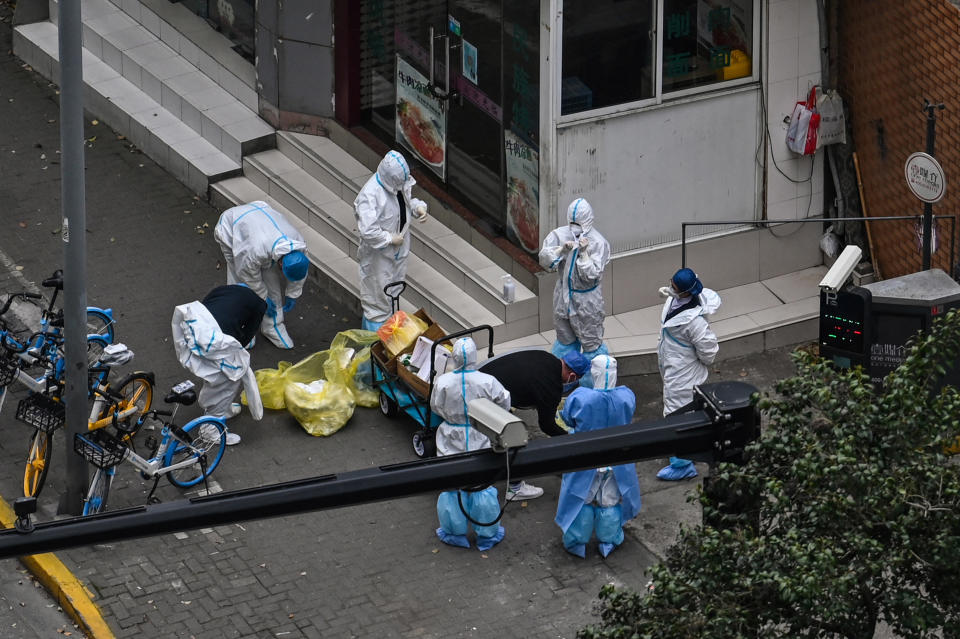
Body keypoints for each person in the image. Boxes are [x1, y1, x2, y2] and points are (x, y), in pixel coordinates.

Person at [555, 355, 641, 558]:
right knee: (609, 500)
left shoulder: (581, 397)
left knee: (580, 499)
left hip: (586, 458)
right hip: (616, 461)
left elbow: (568, 419)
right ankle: (608, 541)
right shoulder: (626, 396)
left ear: (593, 373)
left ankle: (577, 542)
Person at [479, 349, 592, 501]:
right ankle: (515, 489)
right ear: (572, 376)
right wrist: (569, 439)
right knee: (516, 435)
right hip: (486, 397)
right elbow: (546, 425)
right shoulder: (551, 385)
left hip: (480, 379)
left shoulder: (546, 357)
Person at [432, 337, 509, 550]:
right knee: (481, 485)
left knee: (452, 484)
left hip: (450, 435)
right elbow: (504, 401)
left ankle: (453, 532)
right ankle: (487, 534)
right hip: (480, 433)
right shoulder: (488, 381)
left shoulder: (444, 381)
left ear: (454, 357)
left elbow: (435, 406)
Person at [171, 284, 267, 445]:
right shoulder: (259, 304)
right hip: (215, 341)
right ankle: (210, 430)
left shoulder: (222, 289)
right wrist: (233, 350)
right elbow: (248, 335)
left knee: (213, 375)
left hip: (196, 333)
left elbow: (206, 308)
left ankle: (223, 408)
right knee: (228, 379)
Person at [213, 201, 310, 350]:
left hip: (259, 227)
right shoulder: (255, 251)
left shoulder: (298, 245)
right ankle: (242, 329)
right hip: (231, 228)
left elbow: (299, 273)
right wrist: (263, 298)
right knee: (240, 287)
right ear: (282, 264)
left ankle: (273, 327)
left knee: (271, 285)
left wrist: (293, 293)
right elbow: (246, 274)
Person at [354, 150, 428, 331]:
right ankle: (375, 350)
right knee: (377, 304)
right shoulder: (370, 196)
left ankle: (382, 342)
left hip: (398, 250)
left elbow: (404, 203)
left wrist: (417, 208)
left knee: (393, 295)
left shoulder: (396, 184)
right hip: (378, 257)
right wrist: (388, 239)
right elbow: (368, 231)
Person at [538, 198, 611, 367]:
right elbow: (545, 261)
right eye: (572, 223)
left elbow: (592, 275)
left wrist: (584, 254)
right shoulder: (558, 235)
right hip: (562, 297)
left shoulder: (598, 242)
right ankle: (563, 378)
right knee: (564, 339)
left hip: (587, 301)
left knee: (591, 343)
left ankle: (592, 383)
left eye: (579, 223)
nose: (575, 227)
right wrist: (561, 250)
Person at [657, 268, 721, 416]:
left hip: (685, 374)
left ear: (686, 292)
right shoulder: (674, 299)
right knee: (673, 402)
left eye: (674, 287)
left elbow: (709, 353)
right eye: (671, 284)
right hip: (672, 364)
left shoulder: (696, 324)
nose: (670, 288)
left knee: (679, 412)